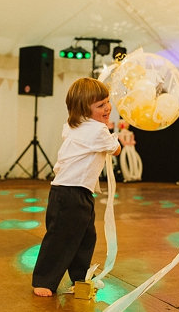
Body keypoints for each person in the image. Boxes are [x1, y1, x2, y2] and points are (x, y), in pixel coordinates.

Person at [32, 78, 122, 296]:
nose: (107, 107)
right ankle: (43, 280)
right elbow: (116, 149)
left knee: (84, 236)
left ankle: (80, 278)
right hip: (70, 192)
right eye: (100, 105)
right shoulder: (97, 131)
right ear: (83, 109)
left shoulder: (75, 126)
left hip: (76, 192)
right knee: (60, 238)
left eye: (107, 102)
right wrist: (112, 133)